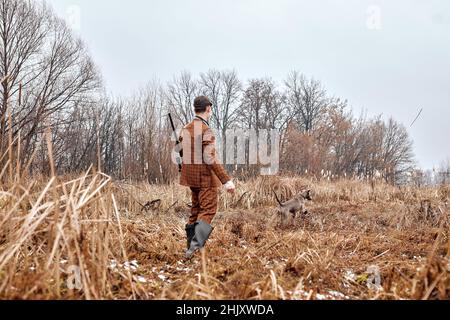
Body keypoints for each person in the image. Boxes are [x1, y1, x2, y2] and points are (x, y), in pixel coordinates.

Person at [179, 96, 235, 259]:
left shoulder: (186, 128)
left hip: (192, 179)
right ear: (208, 108)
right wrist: (226, 180)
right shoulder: (205, 130)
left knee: (196, 210)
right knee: (209, 210)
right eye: (210, 108)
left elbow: (181, 152)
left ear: (195, 109)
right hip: (205, 178)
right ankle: (194, 249)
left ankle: (190, 247)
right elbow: (210, 158)